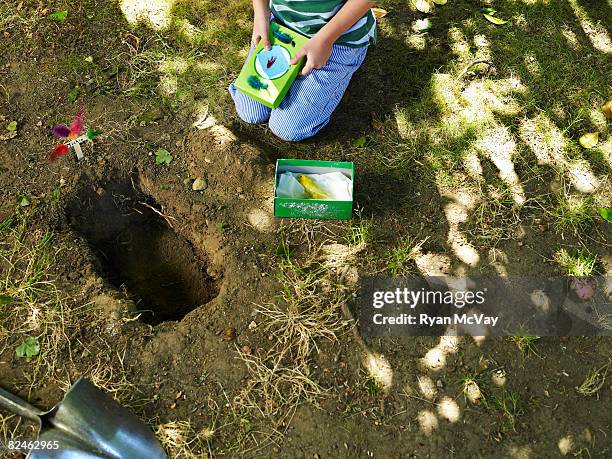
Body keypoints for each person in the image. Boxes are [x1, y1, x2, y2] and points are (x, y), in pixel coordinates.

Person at [229, 0, 376, 141]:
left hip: (338, 38)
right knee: (250, 112)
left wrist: (324, 40)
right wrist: (261, 15)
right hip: (281, 27)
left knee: (288, 129)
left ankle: (344, 66)